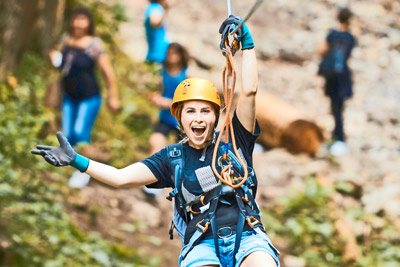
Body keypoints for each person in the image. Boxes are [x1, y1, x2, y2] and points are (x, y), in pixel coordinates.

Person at [32, 16, 280, 267]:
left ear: (216, 117)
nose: (198, 118)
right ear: (180, 118)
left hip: (248, 237)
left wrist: (247, 45)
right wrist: (77, 160)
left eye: (206, 111)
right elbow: (120, 178)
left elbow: (249, 91)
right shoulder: (171, 158)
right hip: (202, 244)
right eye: (190, 111)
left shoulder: (235, 140)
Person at [49, 7, 120, 187]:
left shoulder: (94, 44)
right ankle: (70, 166)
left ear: (89, 22)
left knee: (81, 133)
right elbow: (59, 59)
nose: (77, 23)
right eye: (75, 18)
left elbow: (108, 72)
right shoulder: (66, 39)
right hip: (68, 95)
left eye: (82, 19)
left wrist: (113, 96)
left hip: (89, 96)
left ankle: (84, 172)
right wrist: (54, 57)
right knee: (68, 134)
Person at [144, 43, 190, 199]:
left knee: (185, 157)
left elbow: (190, 100)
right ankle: (154, 181)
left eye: (175, 54)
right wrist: (155, 98)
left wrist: (169, 103)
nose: (172, 57)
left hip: (181, 122)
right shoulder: (161, 72)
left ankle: (185, 189)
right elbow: (154, 91)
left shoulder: (187, 74)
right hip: (164, 118)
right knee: (155, 142)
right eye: (169, 53)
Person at [317, 8, 356, 157]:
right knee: (340, 106)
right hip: (343, 76)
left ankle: (337, 134)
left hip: (331, 76)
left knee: (334, 106)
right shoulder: (351, 38)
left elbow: (321, 51)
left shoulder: (332, 34)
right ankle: (339, 134)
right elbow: (347, 57)